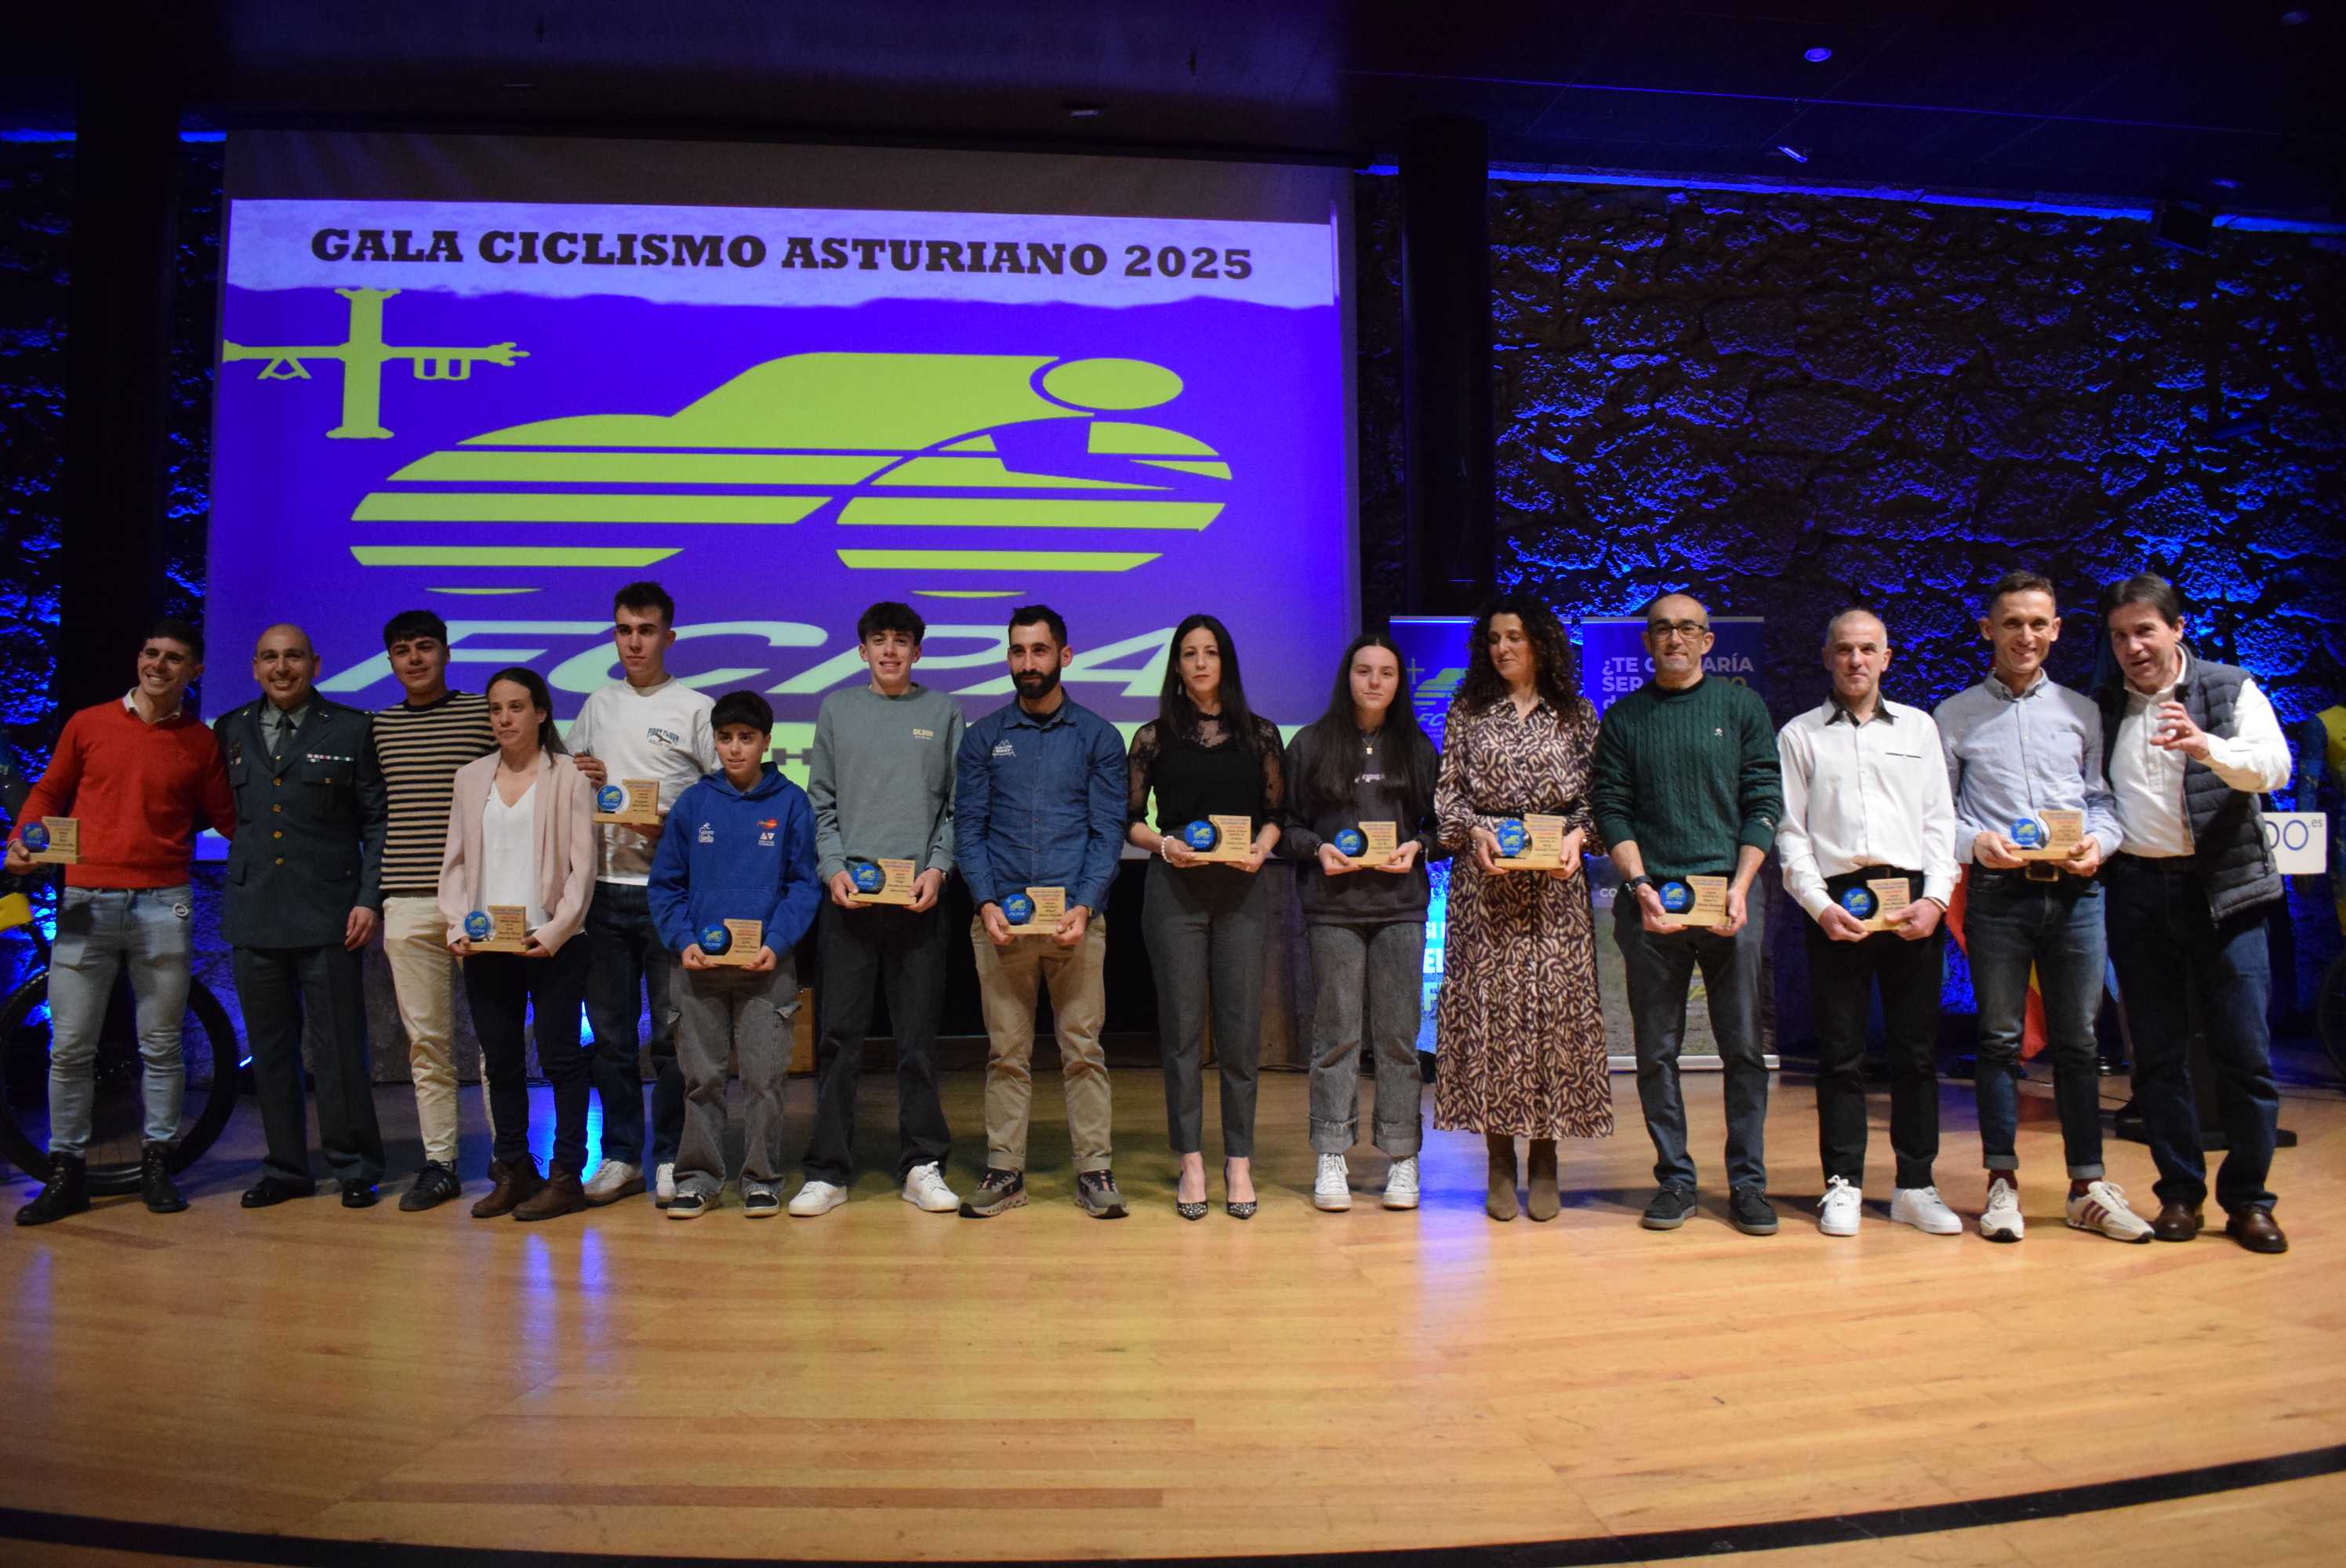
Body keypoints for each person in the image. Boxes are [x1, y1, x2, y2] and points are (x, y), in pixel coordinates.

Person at [1936, 569, 2151, 1243]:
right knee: (1999, 1042)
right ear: (1987, 631)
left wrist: (2100, 845)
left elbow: (2104, 803)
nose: (2025, 636)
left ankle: (2088, 1185)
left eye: (2038, 624)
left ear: (2055, 631)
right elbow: (1939, 818)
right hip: (1999, 897)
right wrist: (1978, 844)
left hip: (2078, 894)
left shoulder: (2082, 712)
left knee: (2082, 1044)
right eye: (2011, 623)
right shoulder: (1955, 715)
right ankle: (2002, 1183)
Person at [9, 619, 235, 1225]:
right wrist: (21, 840)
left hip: (164, 901)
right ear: (140, 657)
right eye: (150, 652)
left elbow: (229, 817)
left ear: (196, 671)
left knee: (161, 1045)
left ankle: (158, 1161)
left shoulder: (200, 742)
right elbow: (49, 791)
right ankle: (66, 1172)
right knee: (71, 1047)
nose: (158, 665)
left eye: (173, 658)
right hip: (85, 898)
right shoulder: (89, 723)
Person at [2095, 573, 2290, 1253]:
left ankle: (2250, 1200)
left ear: (2177, 629)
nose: (2132, 647)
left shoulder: (2229, 688)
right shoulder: (2103, 706)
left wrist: (2207, 744)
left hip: (2226, 892)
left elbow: (2273, 767)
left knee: (2245, 1055)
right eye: (2119, 636)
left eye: (2144, 630)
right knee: (2156, 1059)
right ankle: (2179, 1195)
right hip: (2141, 895)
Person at [1591, 591, 1783, 1236]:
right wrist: (1640, 883)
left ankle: (1748, 1185)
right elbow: (1611, 809)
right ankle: (1675, 1179)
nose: (1674, 638)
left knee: (1744, 1049)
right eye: (1662, 629)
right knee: (1657, 1050)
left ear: (1707, 641)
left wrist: (1741, 883)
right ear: (1647, 642)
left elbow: (1763, 800)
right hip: (1652, 905)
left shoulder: (1742, 707)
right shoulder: (1622, 720)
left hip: (1731, 896)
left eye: (1687, 629)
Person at [1774, 610, 1961, 1238]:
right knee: (1841, 1054)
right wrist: (1818, 904)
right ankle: (1844, 1184)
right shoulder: (1800, 735)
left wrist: (1936, 900)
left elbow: (1940, 822)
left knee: (1915, 1052)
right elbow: (1790, 833)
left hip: (1911, 899)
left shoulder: (1920, 727)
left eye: (1868, 650)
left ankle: (1915, 1183)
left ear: (1887, 657)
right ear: (1826, 657)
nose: (1856, 660)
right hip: (1838, 903)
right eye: (1845, 650)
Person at [1433, 593, 1611, 1222]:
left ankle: (1546, 1157)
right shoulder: (1467, 712)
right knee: (1492, 1022)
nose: (1503, 648)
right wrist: (1473, 834)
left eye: (1515, 637)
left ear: (1539, 642)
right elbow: (1448, 797)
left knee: (1552, 1021)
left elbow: (1597, 800)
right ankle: (1499, 1161)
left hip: (1555, 888)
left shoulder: (1576, 714)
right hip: (1485, 887)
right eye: (1493, 639)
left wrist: (1579, 837)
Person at [952, 605, 1129, 1220]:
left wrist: (1084, 905)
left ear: (1064, 656)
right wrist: (985, 901)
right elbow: (968, 829)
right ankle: (1005, 1171)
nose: (1029, 663)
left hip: (1075, 921)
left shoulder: (1101, 738)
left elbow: (1107, 832)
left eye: (1040, 651)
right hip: (1001, 923)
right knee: (1007, 1053)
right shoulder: (982, 738)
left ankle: (1095, 1171)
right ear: (1009, 658)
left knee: (1083, 1049)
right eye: (1018, 651)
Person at [214, 624, 390, 1210]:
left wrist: (369, 898)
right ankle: (287, 1167)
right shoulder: (231, 728)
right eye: (269, 657)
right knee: (269, 1051)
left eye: (293, 657)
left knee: (339, 1048)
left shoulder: (350, 727)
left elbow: (376, 822)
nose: (281, 667)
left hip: (330, 912)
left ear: (315, 663)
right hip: (255, 910)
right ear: (254, 667)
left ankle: (354, 1164)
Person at [796, 601, 963, 1218]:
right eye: (878, 640)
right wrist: (834, 869)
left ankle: (922, 1163)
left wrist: (938, 869)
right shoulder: (837, 709)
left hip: (920, 900)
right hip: (850, 901)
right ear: (862, 650)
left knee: (917, 1041)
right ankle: (828, 1171)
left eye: (901, 641)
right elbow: (821, 803)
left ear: (918, 651)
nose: (890, 650)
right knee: (839, 1039)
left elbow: (955, 806)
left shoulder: (943, 711)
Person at [1128, 614, 1284, 1220]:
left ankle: (1237, 1159)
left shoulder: (1261, 735)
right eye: (1189, 654)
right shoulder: (1153, 737)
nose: (1199, 663)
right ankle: (1191, 1158)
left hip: (1242, 892)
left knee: (1242, 1036)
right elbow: (1130, 818)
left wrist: (1263, 848)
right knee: (1182, 1036)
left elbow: (1277, 811)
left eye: (1210, 652)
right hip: (1175, 893)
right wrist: (1164, 846)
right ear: (1176, 664)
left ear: (1226, 662)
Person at [567, 581, 717, 1208]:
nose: (635, 642)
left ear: (669, 637)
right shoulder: (596, 706)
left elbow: (723, 799)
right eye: (625, 629)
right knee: (610, 1037)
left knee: (674, 1038)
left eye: (647, 630)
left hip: (668, 898)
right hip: (602, 894)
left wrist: (672, 827)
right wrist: (583, 776)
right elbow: (564, 782)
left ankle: (670, 1156)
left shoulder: (696, 708)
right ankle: (623, 1154)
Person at [1284, 633, 1445, 1213]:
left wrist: (1419, 846)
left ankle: (1403, 1158)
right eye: (1363, 671)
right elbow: (1289, 824)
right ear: (1346, 677)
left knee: (1399, 1039)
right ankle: (1332, 1153)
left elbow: (1440, 826)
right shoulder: (1311, 744)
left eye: (1386, 673)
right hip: (1333, 910)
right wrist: (1318, 849)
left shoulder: (1417, 749)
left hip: (1400, 907)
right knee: (1337, 1036)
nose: (1374, 682)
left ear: (1399, 683)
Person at [648, 691, 821, 1218]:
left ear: (767, 742)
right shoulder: (694, 804)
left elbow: (803, 885)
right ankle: (698, 1179)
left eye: (746, 738)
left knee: (765, 1081)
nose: (735, 748)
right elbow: (666, 886)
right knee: (701, 1081)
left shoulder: (791, 802)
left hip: (765, 969)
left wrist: (777, 944)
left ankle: (761, 1178)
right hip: (698, 970)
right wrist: (683, 941)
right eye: (726, 738)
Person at [438, 667, 597, 1221]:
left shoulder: (570, 777)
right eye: (496, 709)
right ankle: (514, 1168)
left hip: (551, 943)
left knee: (561, 1060)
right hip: (488, 948)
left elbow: (583, 870)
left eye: (516, 707)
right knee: (500, 1062)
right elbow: (454, 864)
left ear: (542, 713)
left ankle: (566, 1175)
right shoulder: (470, 777)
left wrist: (554, 932)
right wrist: (458, 926)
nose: (504, 718)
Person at [370, 609, 497, 1211]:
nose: (415, 659)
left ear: (447, 653)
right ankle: (441, 1163)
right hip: (407, 898)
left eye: (425, 647)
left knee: (495, 1038)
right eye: (402, 650)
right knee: (427, 1042)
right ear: (390, 661)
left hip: (482, 901)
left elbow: (535, 769)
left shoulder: (484, 714)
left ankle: (510, 1156)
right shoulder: (377, 727)